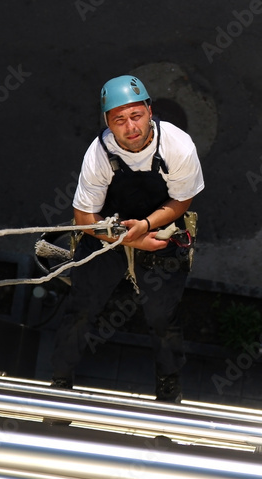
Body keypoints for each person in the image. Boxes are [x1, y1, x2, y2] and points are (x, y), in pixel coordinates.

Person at [50, 75, 205, 402]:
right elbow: (83, 219)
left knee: (163, 315)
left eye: (136, 115)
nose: (130, 127)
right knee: (81, 306)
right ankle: (60, 382)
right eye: (119, 120)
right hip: (109, 229)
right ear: (107, 122)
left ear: (150, 111)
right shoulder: (99, 154)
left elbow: (181, 201)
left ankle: (168, 387)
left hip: (160, 226)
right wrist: (127, 239)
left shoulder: (177, 146)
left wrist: (147, 225)